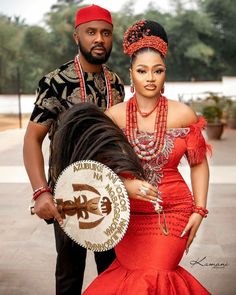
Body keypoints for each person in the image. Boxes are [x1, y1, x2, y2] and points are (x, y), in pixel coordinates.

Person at [82, 20, 212, 294]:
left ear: (165, 74)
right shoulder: (113, 117)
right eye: (142, 71)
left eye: (158, 71)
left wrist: (199, 211)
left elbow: (199, 164)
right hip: (127, 214)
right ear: (131, 74)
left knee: (156, 272)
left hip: (174, 210)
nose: (150, 78)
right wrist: (125, 185)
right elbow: (98, 172)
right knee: (134, 274)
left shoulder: (184, 114)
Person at [23, 4, 124, 295]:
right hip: (67, 198)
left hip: (110, 196)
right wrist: (40, 192)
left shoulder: (116, 82)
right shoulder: (55, 82)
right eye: (91, 32)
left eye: (106, 33)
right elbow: (32, 139)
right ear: (76, 36)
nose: (99, 39)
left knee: (113, 274)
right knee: (69, 277)